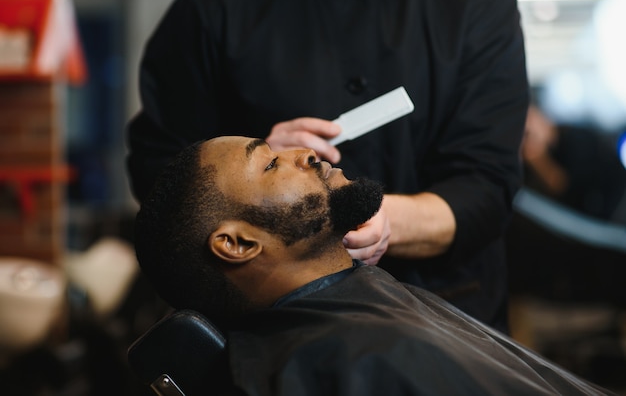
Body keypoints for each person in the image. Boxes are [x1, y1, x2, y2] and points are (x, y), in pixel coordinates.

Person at [126, 0, 530, 331]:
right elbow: (160, 177)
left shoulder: (477, 6)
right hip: (272, 329)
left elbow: (485, 187)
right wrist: (251, 176)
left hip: (445, 314)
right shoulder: (214, 6)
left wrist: (375, 219)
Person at [133, 136, 613, 396]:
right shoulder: (338, 362)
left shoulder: (362, 309)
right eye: (272, 164)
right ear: (237, 244)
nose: (306, 151)